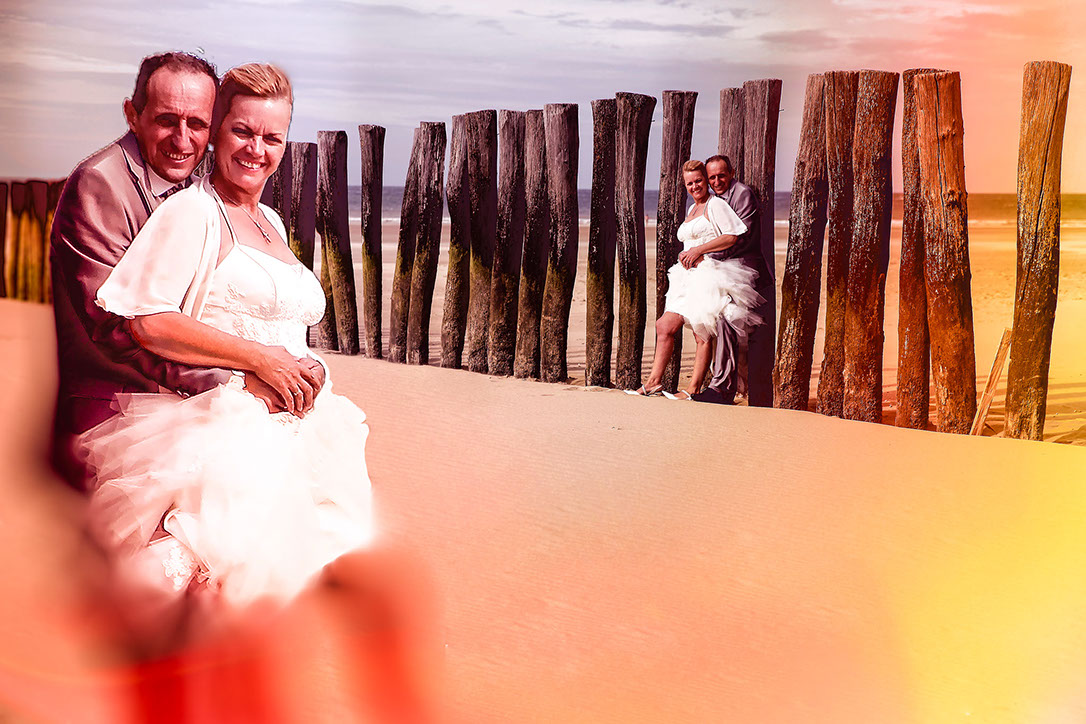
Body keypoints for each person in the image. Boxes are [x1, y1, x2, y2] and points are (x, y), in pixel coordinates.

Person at [75, 63, 373, 637]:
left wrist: (300, 362)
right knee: (204, 574)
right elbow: (149, 320)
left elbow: (282, 327)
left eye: (272, 137)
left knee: (274, 588)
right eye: (242, 131)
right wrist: (260, 360)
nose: (256, 149)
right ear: (216, 131)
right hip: (233, 424)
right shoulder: (192, 211)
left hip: (306, 430)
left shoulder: (272, 222)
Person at [49, 51, 321, 490]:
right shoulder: (101, 185)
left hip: (230, 407)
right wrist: (241, 382)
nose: (183, 140)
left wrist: (303, 368)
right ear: (132, 115)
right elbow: (118, 329)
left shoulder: (249, 212)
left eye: (197, 124)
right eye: (166, 120)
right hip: (118, 411)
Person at [630, 160, 763, 399]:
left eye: (699, 181)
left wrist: (699, 250)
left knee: (701, 333)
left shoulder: (716, 205)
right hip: (685, 277)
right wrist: (689, 252)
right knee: (664, 325)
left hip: (708, 273)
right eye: (689, 183)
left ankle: (692, 390)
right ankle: (653, 382)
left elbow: (732, 236)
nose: (695, 186)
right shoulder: (692, 210)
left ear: (706, 180)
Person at [694, 154, 771, 404]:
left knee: (726, 315)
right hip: (718, 265)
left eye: (721, 176)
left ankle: (722, 387)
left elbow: (741, 237)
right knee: (705, 315)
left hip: (745, 267)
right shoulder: (712, 200)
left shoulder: (742, 194)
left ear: (732, 173)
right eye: (712, 177)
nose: (716, 181)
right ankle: (717, 383)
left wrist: (704, 253)